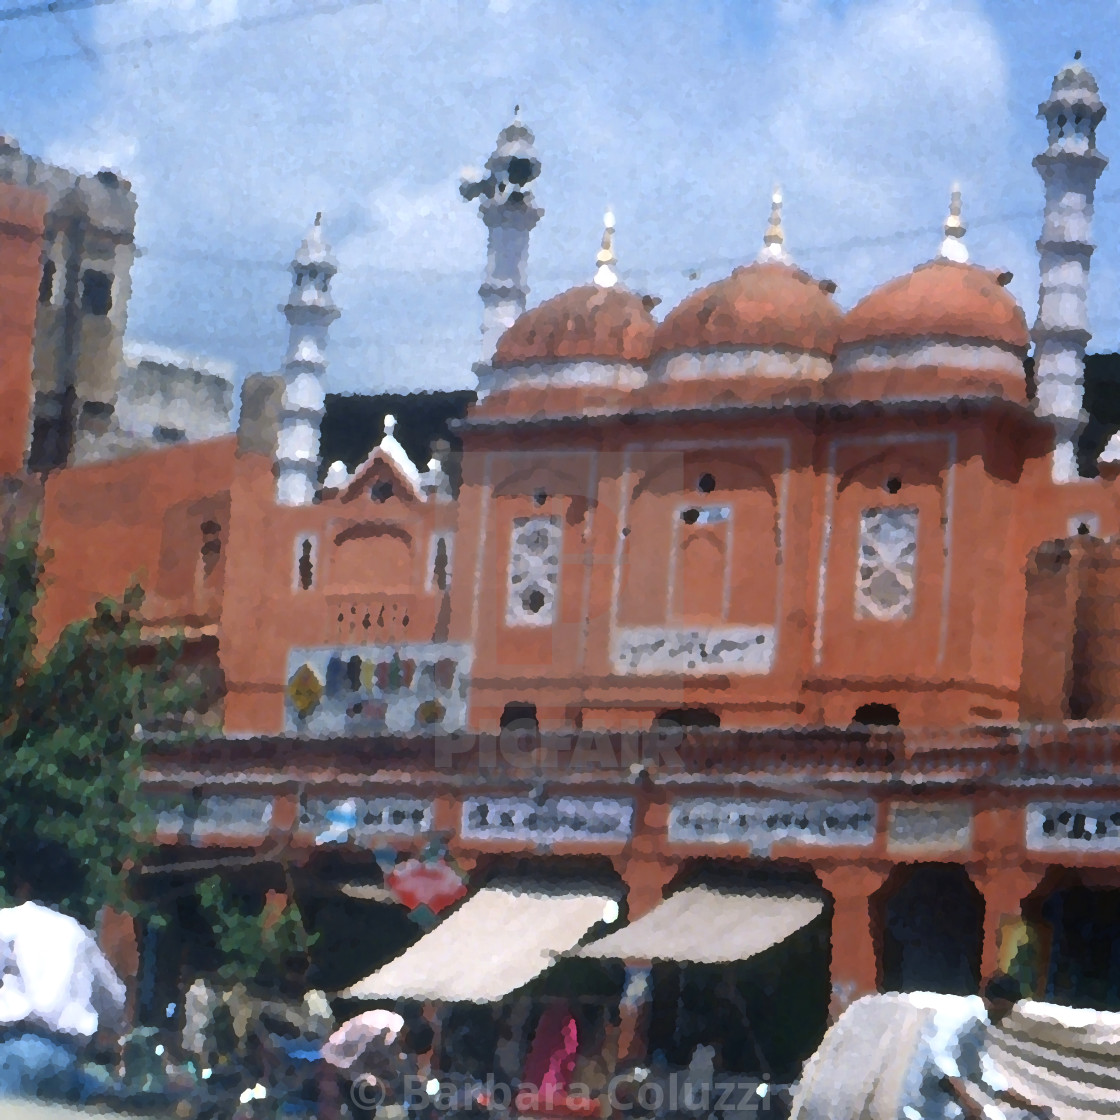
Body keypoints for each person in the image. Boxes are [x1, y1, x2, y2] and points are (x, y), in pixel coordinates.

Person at [0, 891, 128, 1103]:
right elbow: (115, 999)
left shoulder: (9, 921)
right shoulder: (79, 935)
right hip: (64, 1056)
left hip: (13, 1046)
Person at [902, 974, 1055, 1120]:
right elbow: (943, 1068)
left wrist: (1028, 1105)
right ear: (999, 1002)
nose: (1006, 1017)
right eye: (1007, 1010)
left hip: (943, 1103)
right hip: (925, 1103)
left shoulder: (980, 1024)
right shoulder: (962, 1016)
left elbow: (984, 1074)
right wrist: (973, 1107)